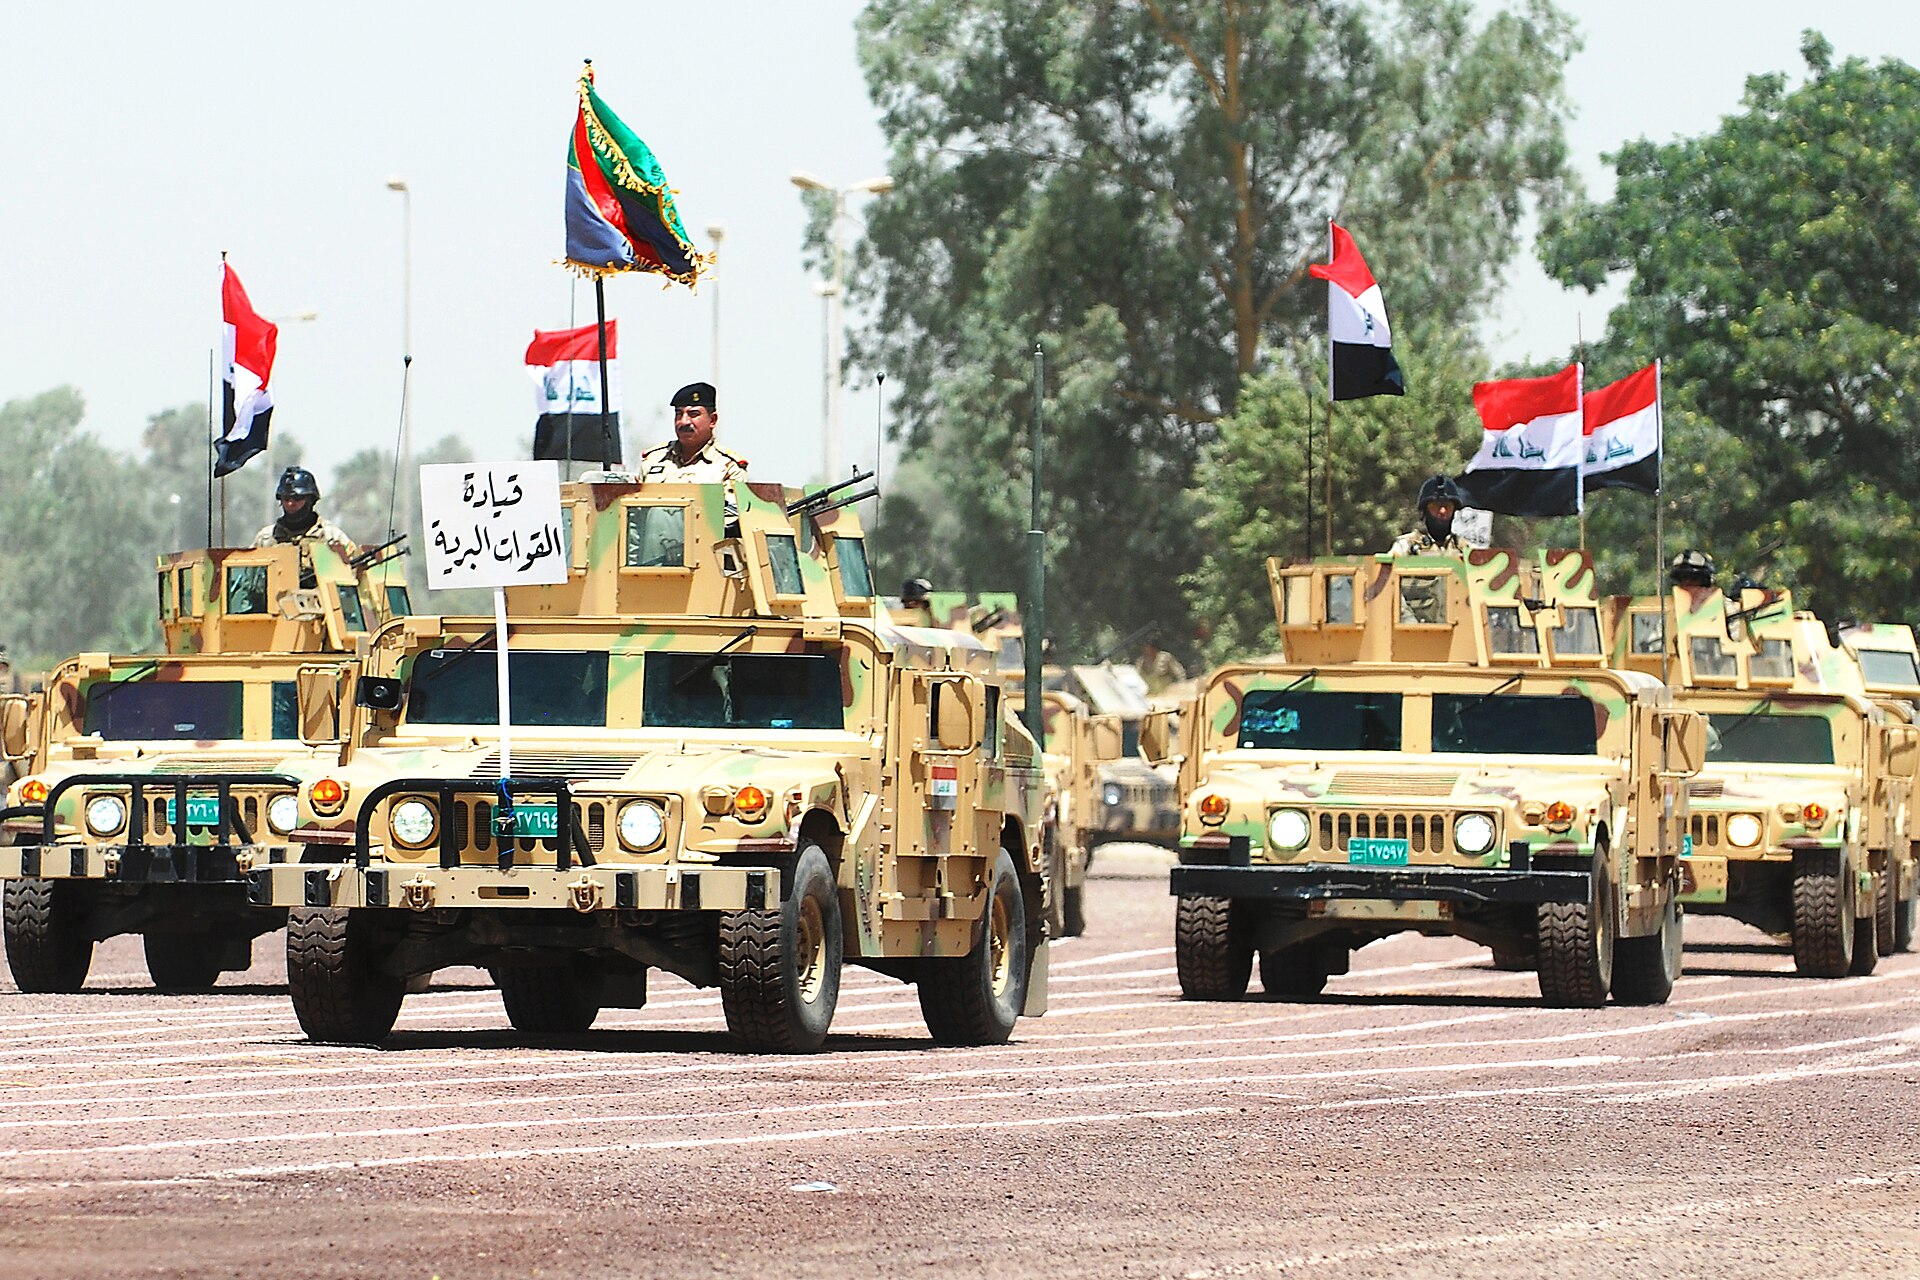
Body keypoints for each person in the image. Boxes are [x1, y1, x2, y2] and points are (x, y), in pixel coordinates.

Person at [253, 466, 358, 587]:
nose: (290, 504)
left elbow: (351, 578)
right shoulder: (266, 539)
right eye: (286, 499)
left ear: (310, 500)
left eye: (297, 498)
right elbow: (250, 578)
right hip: (275, 603)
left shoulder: (331, 537)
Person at [636, 383, 749, 483]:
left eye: (693, 414)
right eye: (679, 414)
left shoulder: (729, 467)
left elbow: (732, 506)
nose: (684, 421)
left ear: (713, 420)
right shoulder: (653, 460)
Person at [1390, 475, 1469, 556]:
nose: (1442, 511)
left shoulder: (1465, 548)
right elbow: (1385, 566)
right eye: (1436, 505)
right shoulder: (1406, 545)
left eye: (1448, 506)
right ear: (1425, 510)